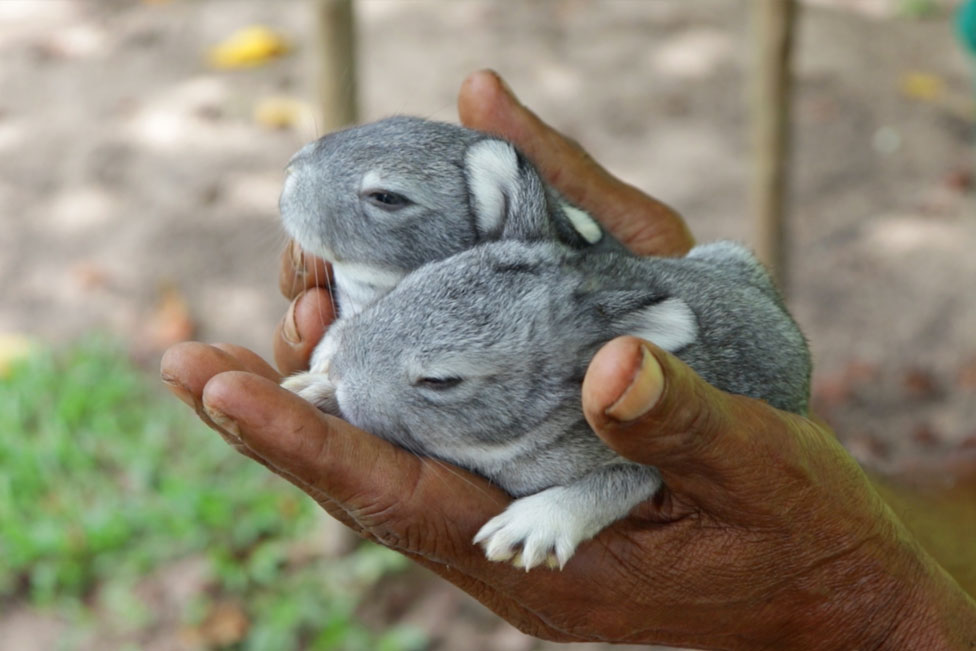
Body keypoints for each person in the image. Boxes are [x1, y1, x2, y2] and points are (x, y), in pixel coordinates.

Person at [160, 70, 976, 649]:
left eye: (442, 379)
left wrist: (868, 608)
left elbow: (626, 461)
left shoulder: (596, 402)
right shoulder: (507, 258)